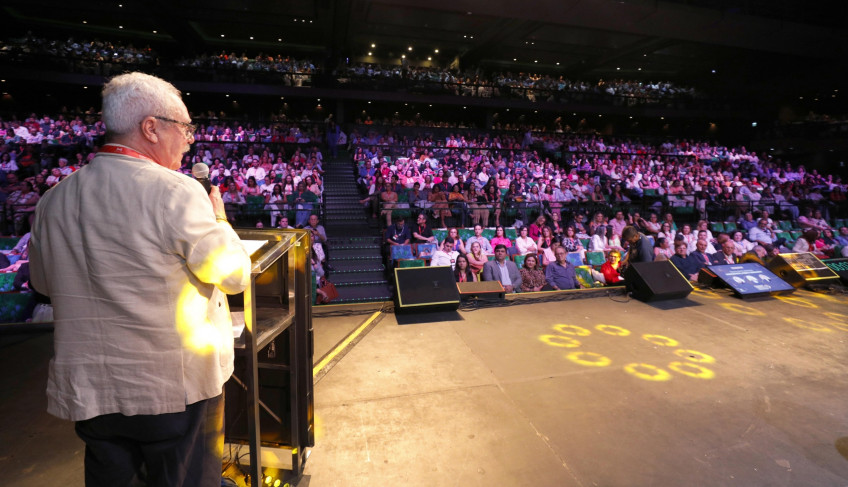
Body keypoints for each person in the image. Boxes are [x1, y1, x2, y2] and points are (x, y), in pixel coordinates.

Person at [29, 72, 252, 487]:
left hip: (93, 392)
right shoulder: (177, 192)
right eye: (184, 128)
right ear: (151, 128)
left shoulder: (52, 200)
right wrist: (218, 216)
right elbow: (234, 274)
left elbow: (44, 284)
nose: (189, 140)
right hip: (172, 389)